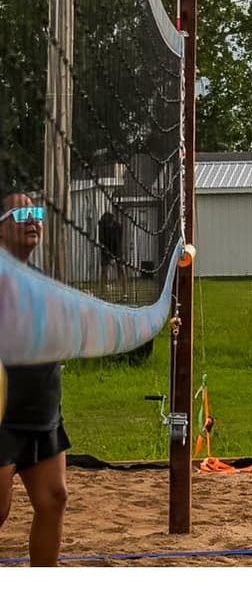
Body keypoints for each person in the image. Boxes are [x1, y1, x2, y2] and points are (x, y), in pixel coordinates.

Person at [0, 189, 70, 566]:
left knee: (53, 499)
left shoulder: (45, 282)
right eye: (20, 214)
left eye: (37, 212)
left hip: (42, 414)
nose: (33, 220)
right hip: (2, 418)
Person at [97, 210, 127, 299]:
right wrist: (108, 256)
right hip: (105, 248)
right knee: (104, 271)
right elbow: (101, 241)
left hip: (116, 249)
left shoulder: (118, 226)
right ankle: (103, 293)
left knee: (121, 269)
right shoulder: (101, 225)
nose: (108, 225)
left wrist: (115, 258)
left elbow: (119, 242)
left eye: (110, 224)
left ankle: (125, 294)